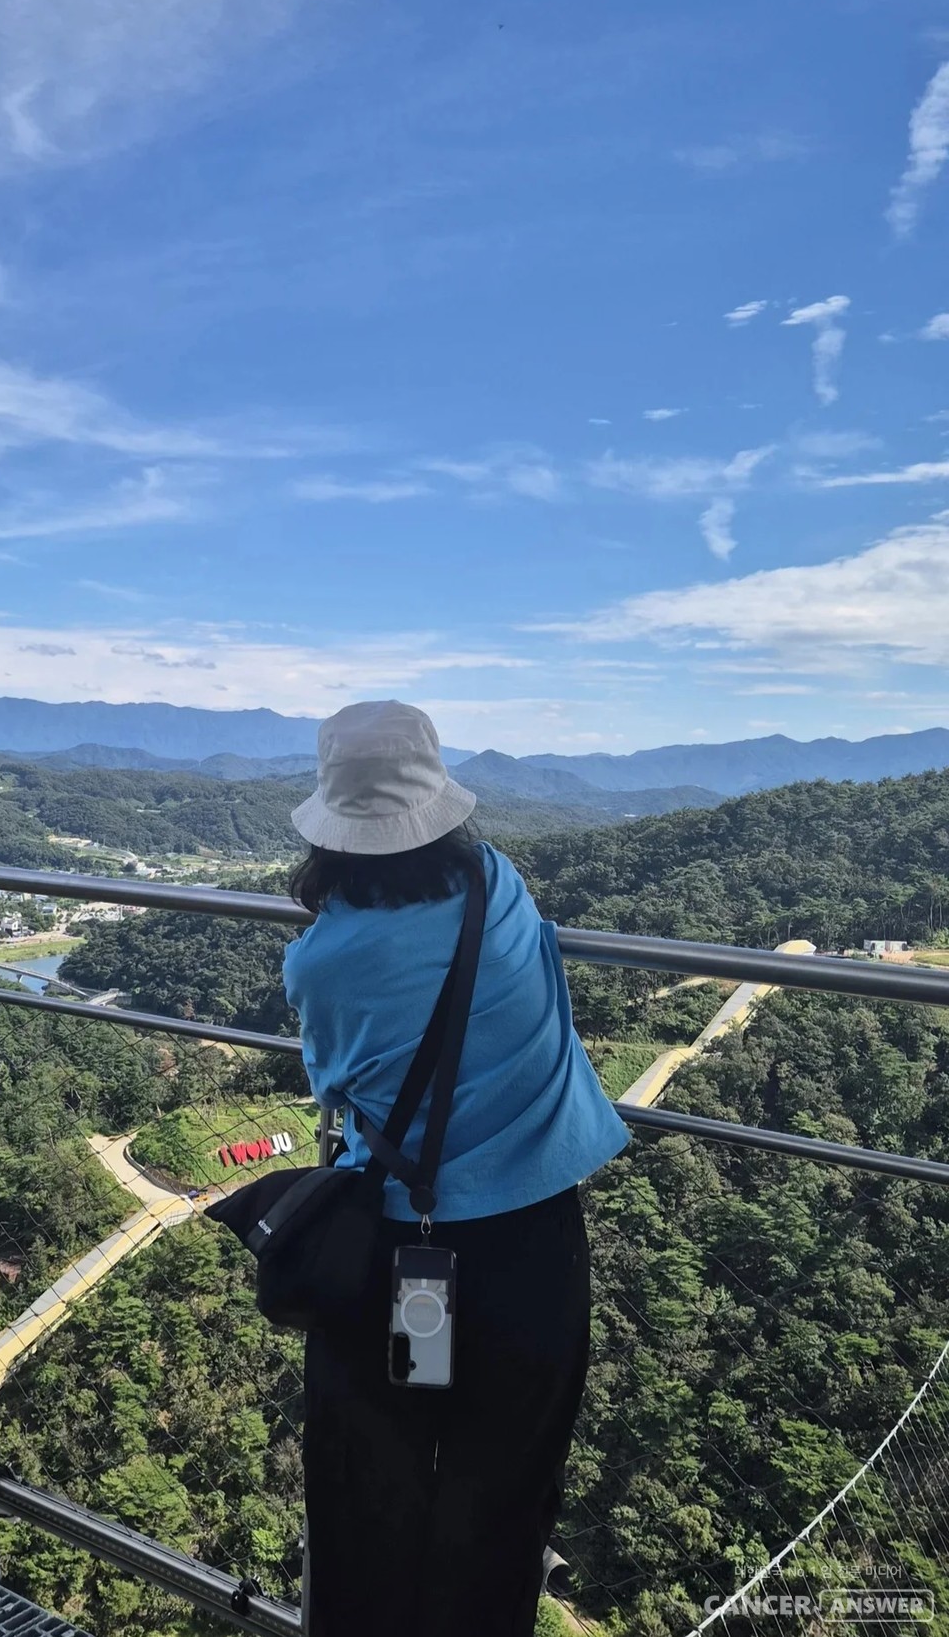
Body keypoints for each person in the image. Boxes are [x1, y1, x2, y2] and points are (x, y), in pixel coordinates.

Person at [282, 700, 629, 1637]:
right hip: (534, 1252)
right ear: (439, 803)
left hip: (396, 1255)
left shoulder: (318, 963)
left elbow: (336, 1091)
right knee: (505, 1504)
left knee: (367, 1502)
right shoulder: (498, 885)